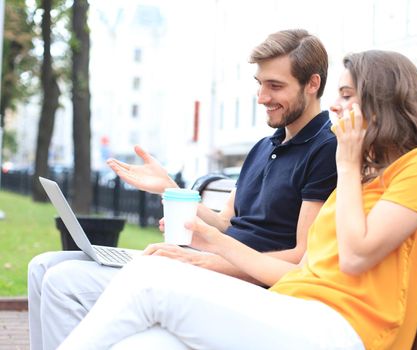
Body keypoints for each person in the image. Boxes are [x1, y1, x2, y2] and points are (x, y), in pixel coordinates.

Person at [57, 50, 417, 350]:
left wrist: (345, 164)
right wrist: (209, 238)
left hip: (347, 332)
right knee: (147, 344)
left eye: (346, 94)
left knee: (148, 281)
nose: (334, 105)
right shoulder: (359, 180)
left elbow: (358, 257)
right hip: (293, 311)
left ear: (381, 102)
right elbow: (298, 271)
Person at [28, 29, 338, 350]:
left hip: (236, 281)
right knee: (43, 266)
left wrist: (207, 262)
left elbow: (301, 257)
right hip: (204, 265)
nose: (261, 98)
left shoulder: (326, 149)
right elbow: (225, 222)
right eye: (260, 85)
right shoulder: (263, 146)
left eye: (275, 86)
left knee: (64, 283)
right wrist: (169, 188)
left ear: (312, 84)